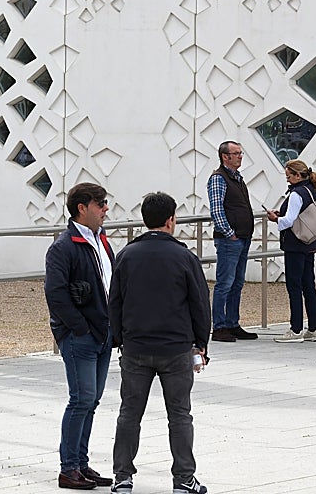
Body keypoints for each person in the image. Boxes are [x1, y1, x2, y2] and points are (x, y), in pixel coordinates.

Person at [109, 191, 210, 494]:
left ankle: (123, 477)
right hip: (176, 347)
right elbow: (199, 304)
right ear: (170, 220)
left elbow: (115, 301)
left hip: (136, 347)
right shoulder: (184, 256)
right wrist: (200, 343)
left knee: (129, 413)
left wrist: (118, 339)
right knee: (179, 414)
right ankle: (183, 479)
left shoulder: (126, 255)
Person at [44, 182, 115, 490]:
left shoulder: (100, 239)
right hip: (82, 336)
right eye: (100, 204)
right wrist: (79, 328)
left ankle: (81, 464)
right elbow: (56, 294)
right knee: (81, 399)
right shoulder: (63, 247)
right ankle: (68, 467)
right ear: (81, 208)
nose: (105, 209)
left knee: (92, 400)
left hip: (103, 333)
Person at [205, 141, 258, 342]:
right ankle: (219, 327)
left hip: (242, 237)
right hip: (231, 239)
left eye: (240, 153)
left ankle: (232, 323)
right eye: (236, 153)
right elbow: (217, 210)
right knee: (225, 283)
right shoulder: (219, 178)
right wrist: (229, 233)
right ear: (224, 156)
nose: (240, 156)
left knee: (237, 283)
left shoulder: (237, 178)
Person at [266, 159, 316, 343]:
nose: (288, 179)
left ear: (298, 175)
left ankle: (296, 329)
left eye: (289, 176)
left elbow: (289, 220)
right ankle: (313, 328)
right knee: (309, 285)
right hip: (309, 242)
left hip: (295, 245)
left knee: (294, 286)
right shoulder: (312, 190)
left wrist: (276, 219)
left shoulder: (296, 194)